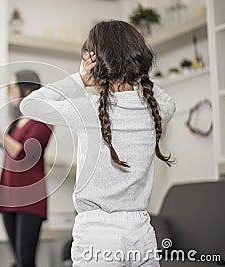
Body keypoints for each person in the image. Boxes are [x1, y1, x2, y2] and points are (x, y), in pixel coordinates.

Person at [20, 20, 176, 266]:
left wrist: (80, 79)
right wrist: (137, 75)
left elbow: (29, 104)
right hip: (142, 232)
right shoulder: (153, 109)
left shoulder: (88, 109)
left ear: (97, 64)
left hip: (97, 234)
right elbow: (169, 102)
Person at [0, 70, 53, 267]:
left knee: (25, 257)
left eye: (13, 87)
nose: (11, 92)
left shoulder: (42, 121)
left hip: (29, 196)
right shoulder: (19, 121)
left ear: (27, 89)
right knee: (17, 257)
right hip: (9, 193)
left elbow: (21, 153)